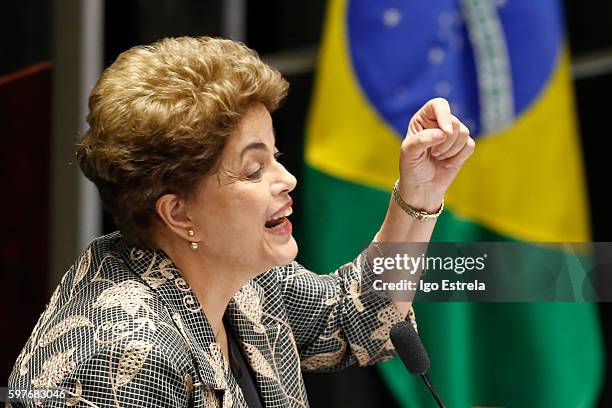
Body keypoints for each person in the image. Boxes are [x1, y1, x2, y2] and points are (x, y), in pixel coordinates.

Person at [8, 36, 474, 407]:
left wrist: (421, 192)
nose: (287, 179)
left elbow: (358, 316)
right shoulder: (122, 355)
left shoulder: (241, 279)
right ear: (179, 213)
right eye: (254, 169)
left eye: (276, 156)